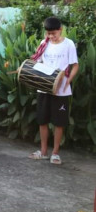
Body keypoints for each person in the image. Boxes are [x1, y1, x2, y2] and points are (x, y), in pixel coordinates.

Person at [28, 17, 78, 165]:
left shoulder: (68, 44)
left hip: (61, 90)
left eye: (53, 33)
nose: (51, 36)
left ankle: (55, 153)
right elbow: (37, 62)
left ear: (60, 30)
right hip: (44, 88)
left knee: (59, 122)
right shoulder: (44, 44)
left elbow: (75, 66)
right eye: (48, 33)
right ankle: (43, 152)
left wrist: (68, 81)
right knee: (42, 120)